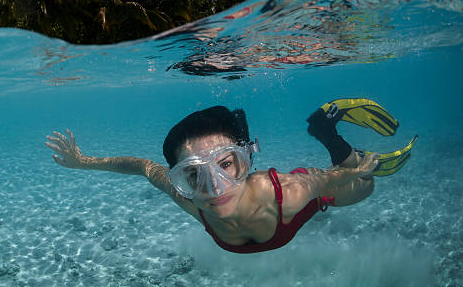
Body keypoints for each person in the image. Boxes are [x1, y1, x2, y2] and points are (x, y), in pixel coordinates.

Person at [45, 98, 416, 254]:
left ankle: (328, 134)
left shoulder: (288, 190)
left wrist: (357, 169)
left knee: (364, 186)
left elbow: (328, 180)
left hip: (304, 196)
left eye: (226, 164)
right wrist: (85, 161)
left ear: (247, 160)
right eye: (193, 175)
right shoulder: (191, 202)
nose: (214, 188)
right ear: (181, 179)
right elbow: (143, 166)